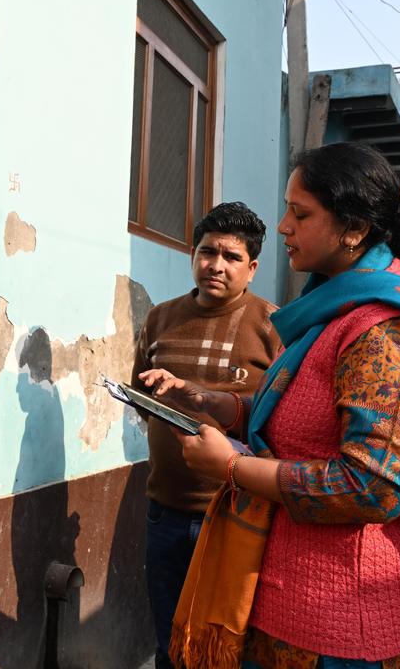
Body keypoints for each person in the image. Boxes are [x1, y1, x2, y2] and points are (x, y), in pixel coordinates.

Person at [161, 142, 400, 669]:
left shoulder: (382, 332)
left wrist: (231, 466)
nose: (284, 226)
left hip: (349, 627)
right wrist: (218, 405)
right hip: (291, 607)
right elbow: (302, 422)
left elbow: (374, 486)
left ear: (354, 230)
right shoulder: (331, 310)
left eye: (300, 213)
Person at [131, 201, 281, 669]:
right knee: (170, 643)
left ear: (252, 268)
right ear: (193, 255)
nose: (216, 265)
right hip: (166, 512)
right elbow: (141, 396)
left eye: (232, 257)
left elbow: (281, 420)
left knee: (230, 648)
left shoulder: (274, 326)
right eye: (207, 252)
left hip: (238, 515)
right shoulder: (160, 318)